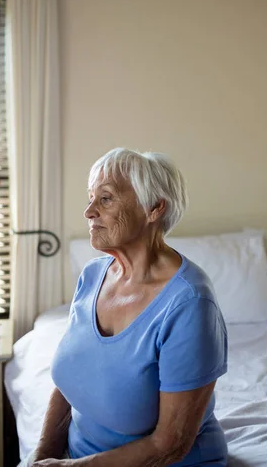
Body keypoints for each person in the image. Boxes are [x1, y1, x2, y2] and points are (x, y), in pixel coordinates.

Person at [29, 148, 228, 466]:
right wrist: (42, 454)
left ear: (154, 209)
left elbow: (169, 444)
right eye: (91, 197)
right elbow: (70, 381)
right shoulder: (93, 276)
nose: (89, 211)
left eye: (105, 199)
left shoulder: (190, 304)